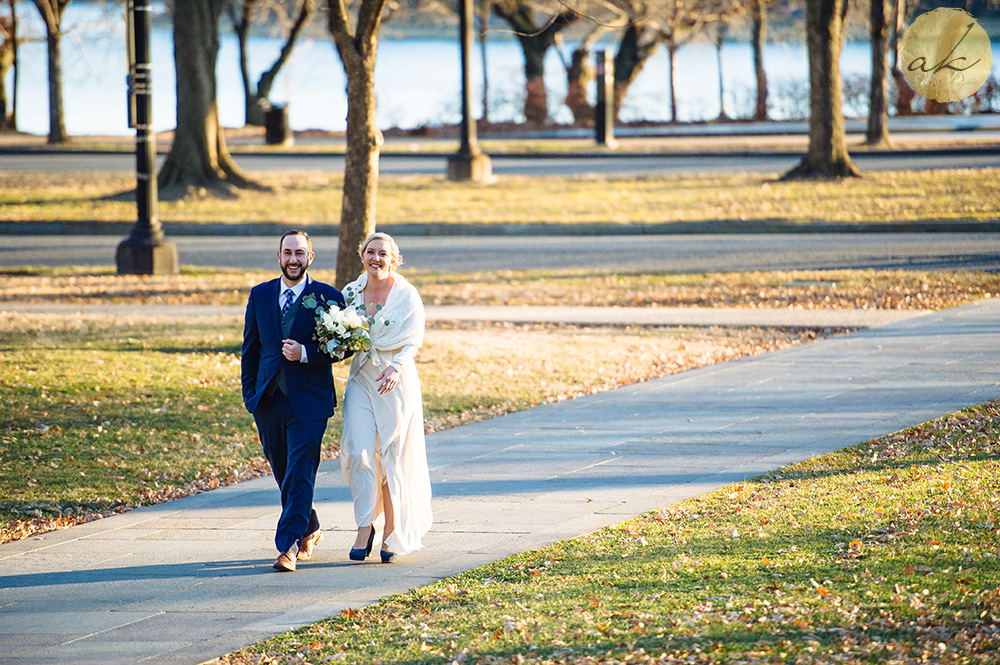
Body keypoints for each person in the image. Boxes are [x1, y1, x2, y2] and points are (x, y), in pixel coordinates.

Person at [242, 230, 346, 572]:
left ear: (310, 258)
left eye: (300, 253)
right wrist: (250, 395)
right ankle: (310, 526)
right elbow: (251, 349)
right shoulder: (260, 295)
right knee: (284, 472)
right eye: (288, 252)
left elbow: (342, 347)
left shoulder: (328, 297)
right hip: (269, 400)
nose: (293, 259)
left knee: (301, 470)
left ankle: (287, 547)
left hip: (310, 401)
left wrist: (306, 353)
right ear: (279, 256)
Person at [341, 232, 432, 563]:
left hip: (394, 380)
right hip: (362, 378)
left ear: (393, 259)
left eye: (383, 253)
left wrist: (395, 367)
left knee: (392, 455)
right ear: (362, 255)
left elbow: (414, 339)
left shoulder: (406, 295)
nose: (376, 258)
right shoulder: (350, 293)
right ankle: (365, 525)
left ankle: (392, 531)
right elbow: (340, 334)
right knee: (357, 451)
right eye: (370, 252)